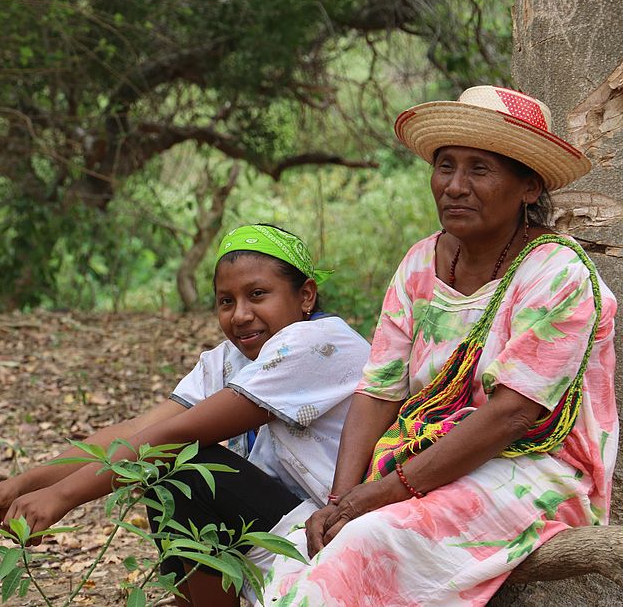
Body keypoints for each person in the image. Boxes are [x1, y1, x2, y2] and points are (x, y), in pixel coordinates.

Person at [259, 85, 618, 606]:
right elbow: (379, 390)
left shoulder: (557, 274)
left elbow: (511, 417)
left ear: (529, 186)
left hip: (536, 470)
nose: (454, 186)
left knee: (366, 543)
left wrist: (378, 496)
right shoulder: (420, 264)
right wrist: (339, 498)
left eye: (479, 169)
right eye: (445, 165)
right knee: (303, 550)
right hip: (423, 458)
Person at [0, 225, 371, 606]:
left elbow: (177, 435)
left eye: (258, 294)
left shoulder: (318, 342)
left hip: (336, 526)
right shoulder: (229, 359)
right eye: (226, 301)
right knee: (167, 472)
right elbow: (138, 430)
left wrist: (62, 497)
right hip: (287, 524)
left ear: (306, 296)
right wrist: (22, 485)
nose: (240, 314)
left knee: (185, 466)